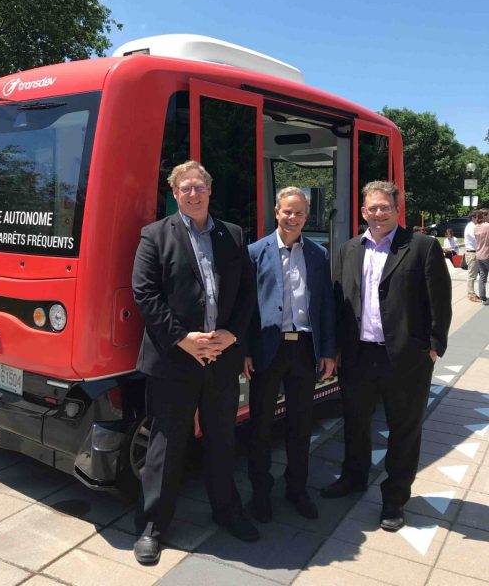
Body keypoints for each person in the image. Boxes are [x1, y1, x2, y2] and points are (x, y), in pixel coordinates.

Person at [131, 160, 258, 565]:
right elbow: (145, 294)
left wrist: (232, 334)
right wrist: (184, 340)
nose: (193, 194)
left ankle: (227, 511)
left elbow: (247, 293)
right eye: (185, 188)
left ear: (209, 189)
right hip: (174, 360)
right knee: (165, 446)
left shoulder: (233, 235)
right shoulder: (154, 235)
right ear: (175, 193)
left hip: (221, 358)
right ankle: (153, 527)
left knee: (223, 440)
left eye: (199, 187)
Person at [321, 180, 452, 532]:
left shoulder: (422, 246)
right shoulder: (349, 249)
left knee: (403, 430)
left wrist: (435, 344)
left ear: (397, 210)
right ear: (363, 211)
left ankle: (394, 500)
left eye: (385, 207)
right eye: (371, 208)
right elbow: (338, 299)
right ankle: (353, 477)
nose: (378, 214)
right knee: (355, 422)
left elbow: (439, 299)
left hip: (406, 358)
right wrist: (335, 346)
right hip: (358, 355)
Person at [243, 187, 335, 522]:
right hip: (269, 349)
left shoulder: (318, 254)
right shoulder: (255, 252)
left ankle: (297, 489)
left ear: (306, 217)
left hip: (304, 350)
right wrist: (246, 351)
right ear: (276, 212)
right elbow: (247, 309)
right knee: (261, 426)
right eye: (286, 211)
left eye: (298, 213)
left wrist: (327, 351)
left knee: (300, 425)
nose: (292, 218)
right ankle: (260, 494)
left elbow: (325, 306)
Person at [464, 210, 481, 302]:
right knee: (472, 275)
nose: (480, 218)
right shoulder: (471, 227)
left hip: (476, 253)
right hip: (472, 253)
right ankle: (471, 294)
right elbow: (477, 238)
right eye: (478, 217)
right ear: (473, 217)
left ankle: (474, 293)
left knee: (477, 274)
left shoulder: (474, 226)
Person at [474, 209, 489, 304]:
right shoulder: (487, 226)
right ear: (484, 216)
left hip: (479, 254)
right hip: (487, 254)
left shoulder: (475, 227)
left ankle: (483, 298)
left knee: (483, 276)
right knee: (483, 275)